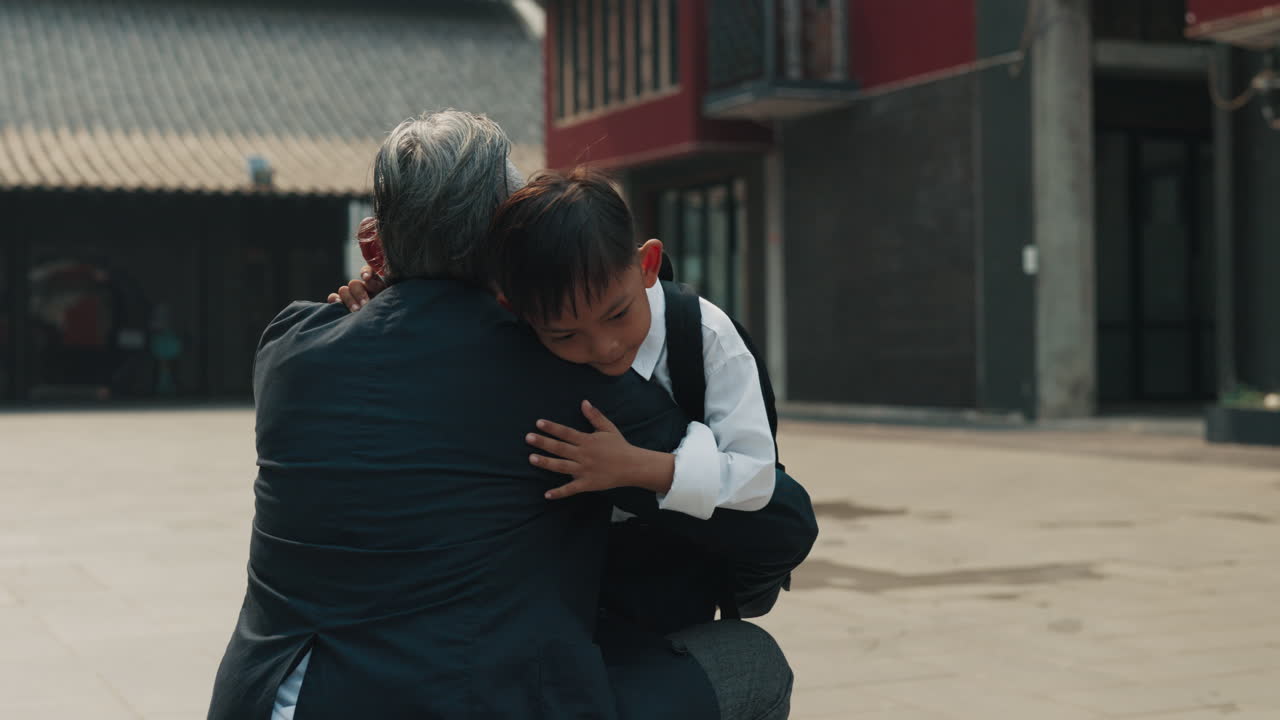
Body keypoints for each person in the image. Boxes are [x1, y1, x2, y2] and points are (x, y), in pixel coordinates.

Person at [209, 110, 817, 720]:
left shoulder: (290, 346)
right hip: (465, 697)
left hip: (268, 697)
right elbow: (781, 525)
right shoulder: (551, 366)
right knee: (752, 661)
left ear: (376, 242)